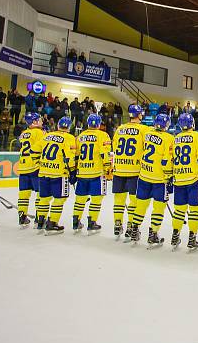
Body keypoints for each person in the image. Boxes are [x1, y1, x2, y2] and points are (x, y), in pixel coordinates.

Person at [130, 114, 174, 248]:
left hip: (144, 175)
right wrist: (169, 177)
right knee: (158, 207)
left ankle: (134, 229)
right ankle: (153, 233)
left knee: (141, 205)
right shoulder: (169, 138)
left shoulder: (148, 133)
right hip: (159, 179)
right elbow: (166, 160)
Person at [169, 113, 198, 250]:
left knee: (179, 210)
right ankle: (192, 238)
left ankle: (175, 235)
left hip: (179, 178)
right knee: (194, 211)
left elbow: (173, 159)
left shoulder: (175, 138)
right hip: (194, 179)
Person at [112, 105, 148, 241]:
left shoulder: (120, 129)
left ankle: (117, 223)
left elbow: (115, 147)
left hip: (119, 169)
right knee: (134, 201)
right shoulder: (144, 129)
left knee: (119, 199)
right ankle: (131, 226)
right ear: (139, 115)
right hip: (134, 170)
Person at [37, 116, 78, 235]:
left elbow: (34, 151)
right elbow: (70, 156)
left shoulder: (47, 136)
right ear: (69, 127)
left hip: (43, 171)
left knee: (44, 198)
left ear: (58, 125)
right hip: (59, 173)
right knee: (60, 198)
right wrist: (72, 171)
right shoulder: (69, 137)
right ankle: (52, 223)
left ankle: (40, 221)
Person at [72, 114, 111, 235]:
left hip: (82, 172)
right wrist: (108, 168)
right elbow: (105, 154)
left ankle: (76, 220)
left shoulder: (80, 136)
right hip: (97, 173)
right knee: (96, 199)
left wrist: (74, 169)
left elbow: (76, 155)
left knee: (80, 199)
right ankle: (92, 222)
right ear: (99, 124)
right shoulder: (103, 135)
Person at [16, 113, 45, 228]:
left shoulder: (23, 133)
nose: (41, 121)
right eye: (40, 119)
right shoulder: (39, 132)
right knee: (40, 194)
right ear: (34, 122)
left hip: (23, 167)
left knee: (23, 194)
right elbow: (43, 147)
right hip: (35, 166)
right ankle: (39, 218)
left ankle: (22, 217)